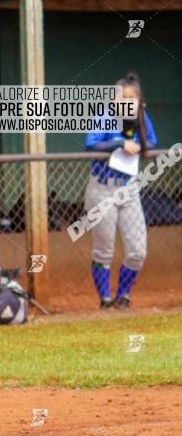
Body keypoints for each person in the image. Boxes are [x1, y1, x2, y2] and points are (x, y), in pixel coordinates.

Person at [85, 73, 157, 309]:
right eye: (121, 98)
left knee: (137, 251)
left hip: (129, 189)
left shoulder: (141, 118)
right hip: (102, 189)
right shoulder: (104, 116)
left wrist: (138, 148)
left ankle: (123, 296)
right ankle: (105, 299)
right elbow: (91, 146)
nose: (125, 103)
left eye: (131, 99)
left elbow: (152, 143)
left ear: (138, 101)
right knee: (104, 249)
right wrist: (119, 144)